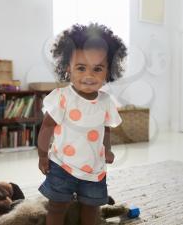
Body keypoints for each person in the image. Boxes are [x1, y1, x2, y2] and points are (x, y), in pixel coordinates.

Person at [37, 23, 127, 225]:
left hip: (94, 168)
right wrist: (43, 155)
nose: (89, 75)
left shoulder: (105, 102)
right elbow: (47, 127)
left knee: (91, 208)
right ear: (68, 69)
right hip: (61, 165)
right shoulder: (62, 98)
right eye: (81, 67)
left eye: (97, 69)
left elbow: (105, 129)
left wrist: (108, 149)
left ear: (108, 71)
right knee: (57, 206)